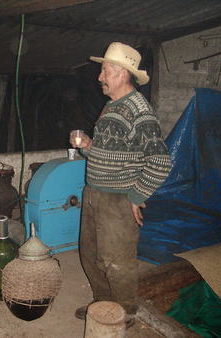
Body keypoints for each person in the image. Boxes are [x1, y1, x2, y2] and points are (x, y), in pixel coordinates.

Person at [70, 42, 172, 326]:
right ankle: (102, 305)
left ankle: (124, 314)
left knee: (118, 262)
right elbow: (104, 151)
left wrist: (137, 195)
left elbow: (160, 160)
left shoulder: (140, 111)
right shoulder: (111, 106)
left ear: (123, 74)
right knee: (90, 255)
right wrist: (87, 145)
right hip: (93, 193)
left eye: (105, 71)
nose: (99, 77)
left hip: (117, 200)